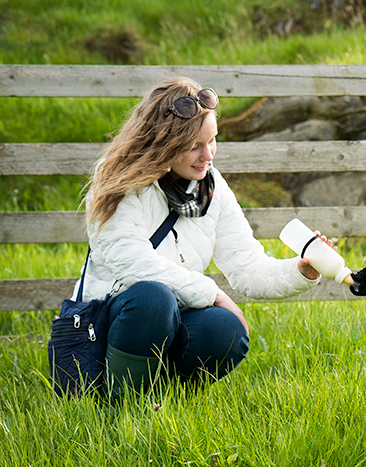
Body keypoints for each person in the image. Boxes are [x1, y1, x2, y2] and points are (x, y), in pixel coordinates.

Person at [75, 77, 331, 395]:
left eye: (212, 140)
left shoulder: (211, 187)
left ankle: (167, 399)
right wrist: (213, 294)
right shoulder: (116, 180)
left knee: (225, 329)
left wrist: (301, 270)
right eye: (195, 146)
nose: (208, 155)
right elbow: (131, 263)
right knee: (153, 299)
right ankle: (121, 403)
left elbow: (247, 266)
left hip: (173, 311)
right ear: (164, 142)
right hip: (109, 323)